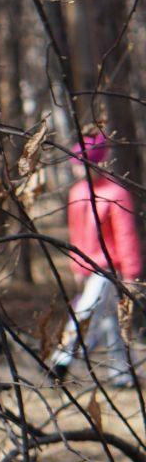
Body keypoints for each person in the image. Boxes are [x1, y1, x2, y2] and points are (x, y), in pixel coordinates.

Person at [50, 130, 141, 387]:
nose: (79, 171)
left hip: (109, 268)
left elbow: (126, 236)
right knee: (111, 319)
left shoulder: (116, 194)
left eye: (83, 165)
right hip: (88, 266)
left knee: (86, 310)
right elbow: (76, 233)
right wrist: (76, 265)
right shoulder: (77, 193)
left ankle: (62, 360)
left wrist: (131, 273)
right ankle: (122, 374)